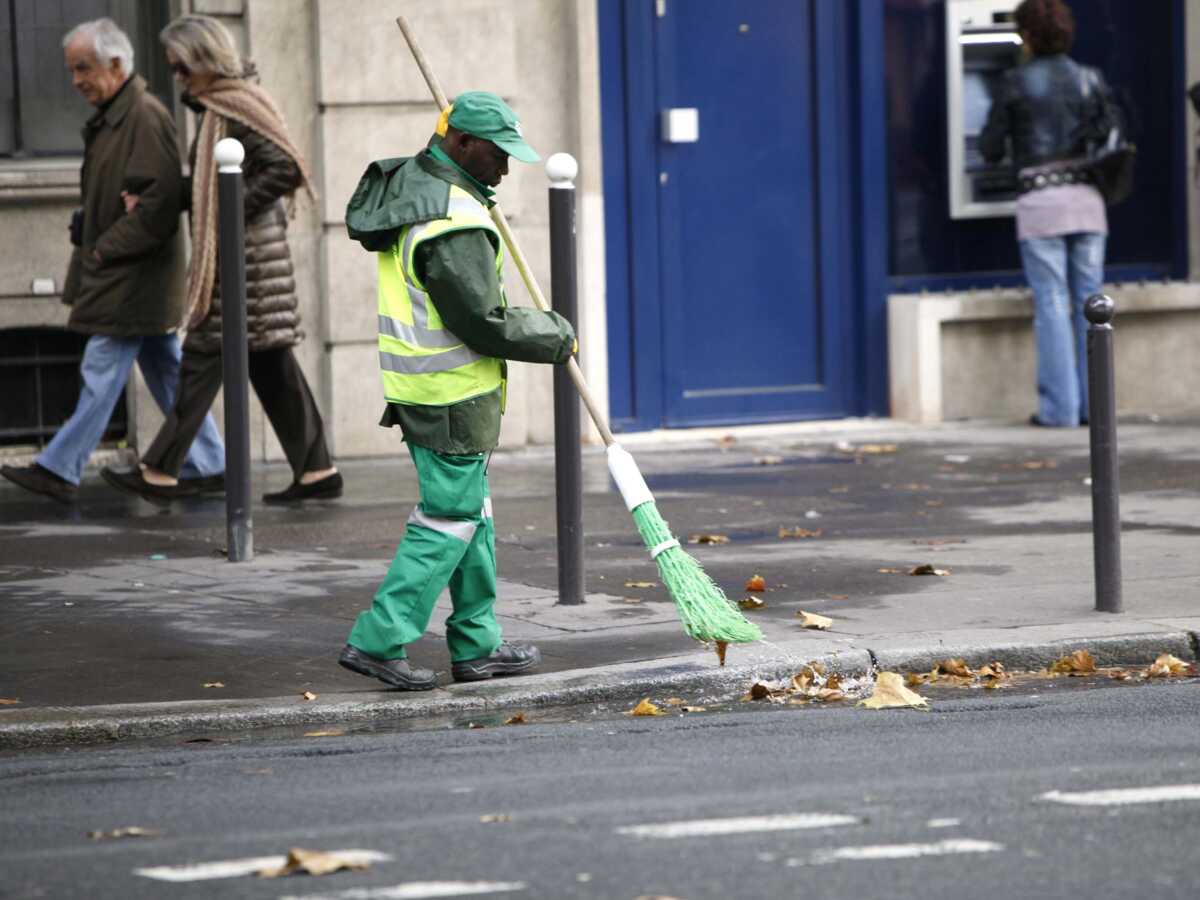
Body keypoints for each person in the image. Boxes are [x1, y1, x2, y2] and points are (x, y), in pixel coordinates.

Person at [337, 92, 576, 690]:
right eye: (499, 155)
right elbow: (481, 322)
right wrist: (554, 334)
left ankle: (477, 645)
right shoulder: (454, 222)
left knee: (472, 516)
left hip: (431, 390)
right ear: (463, 144)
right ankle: (380, 638)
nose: (506, 168)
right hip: (449, 397)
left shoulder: (418, 189)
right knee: (448, 519)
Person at [101, 14, 340, 504]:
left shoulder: (237, 106)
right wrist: (169, 198)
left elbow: (284, 169)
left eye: (182, 67)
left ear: (204, 60)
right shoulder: (219, 108)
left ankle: (161, 471)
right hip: (246, 259)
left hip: (245, 264)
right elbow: (214, 184)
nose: (178, 77)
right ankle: (317, 471)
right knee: (271, 364)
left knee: (203, 357)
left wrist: (228, 210)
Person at [0, 18, 225, 504]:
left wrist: (104, 248)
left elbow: (155, 205)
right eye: (72, 70)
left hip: (131, 277)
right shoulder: (118, 116)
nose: (76, 80)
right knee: (166, 370)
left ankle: (60, 467)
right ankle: (211, 462)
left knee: (102, 369)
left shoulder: (142, 116)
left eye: (84, 68)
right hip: (129, 275)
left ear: (117, 65)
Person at [979, 0, 1120, 428]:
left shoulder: (1014, 82)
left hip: (1042, 205)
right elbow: (1111, 136)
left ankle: (1058, 410)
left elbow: (988, 148)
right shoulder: (1089, 79)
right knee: (1090, 304)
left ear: (1027, 35)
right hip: (1087, 202)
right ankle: (1091, 410)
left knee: (1053, 303)